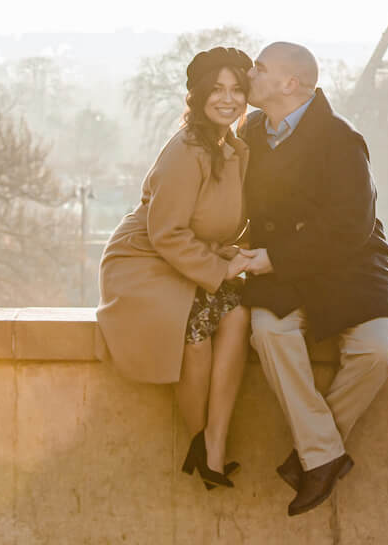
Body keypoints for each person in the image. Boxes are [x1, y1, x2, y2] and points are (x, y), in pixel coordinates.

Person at [234, 41, 388, 517]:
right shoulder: (248, 133)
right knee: (269, 331)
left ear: (289, 84)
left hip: (349, 264)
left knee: (374, 352)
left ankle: (314, 453)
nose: (251, 73)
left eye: (260, 67)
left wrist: (276, 259)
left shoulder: (341, 138)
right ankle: (324, 454)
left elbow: (351, 226)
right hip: (284, 265)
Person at [97, 46, 265, 491]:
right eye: (216, 89)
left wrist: (233, 254)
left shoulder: (232, 146)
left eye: (236, 90)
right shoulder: (187, 147)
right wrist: (221, 269)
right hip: (144, 261)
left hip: (186, 258)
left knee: (238, 318)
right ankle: (199, 439)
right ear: (197, 96)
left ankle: (214, 439)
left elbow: (214, 221)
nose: (227, 99)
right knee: (194, 332)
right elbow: (166, 233)